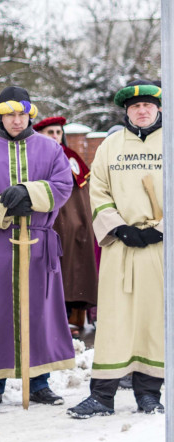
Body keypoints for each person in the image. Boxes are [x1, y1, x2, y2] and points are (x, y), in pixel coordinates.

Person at [0, 86, 73, 409]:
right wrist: (4, 205)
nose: (16, 120)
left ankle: (38, 381)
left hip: (38, 241)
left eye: (21, 114)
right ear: (0, 114)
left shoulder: (50, 149)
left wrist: (31, 194)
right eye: (10, 114)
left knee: (39, 311)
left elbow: (63, 185)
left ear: (29, 115)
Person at [69, 80, 164, 418]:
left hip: (159, 248)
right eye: (135, 106)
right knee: (114, 319)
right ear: (126, 111)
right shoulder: (110, 146)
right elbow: (99, 190)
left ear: (158, 108)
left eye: (148, 106)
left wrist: (160, 230)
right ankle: (103, 395)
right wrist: (118, 227)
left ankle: (149, 393)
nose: (142, 111)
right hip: (120, 246)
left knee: (153, 319)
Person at [32, 116, 98, 337]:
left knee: (73, 271)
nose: (55, 136)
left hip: (73, 225)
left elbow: (82, 197)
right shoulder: (33, 157)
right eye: (50, 132)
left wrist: (81, 223)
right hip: (45, 222)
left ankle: (72, 318)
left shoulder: (72, 158)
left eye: (58, 132)